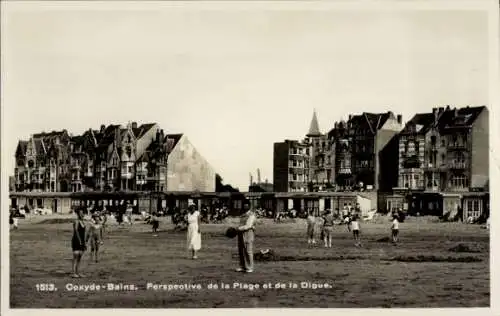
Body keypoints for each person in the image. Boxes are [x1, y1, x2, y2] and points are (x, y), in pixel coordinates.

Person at [236, 201, 256, 273]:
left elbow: (248, 226)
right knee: (241, 250)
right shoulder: (242, 215)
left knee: (248, 251)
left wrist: (238, 229)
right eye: (244, 206)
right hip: (241, 234)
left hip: (248, 233)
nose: (245, 207)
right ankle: (242, 266)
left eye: (246, 206)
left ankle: (250, 267)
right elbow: (240, 224)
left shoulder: (251, 215)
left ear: (249, 207)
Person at [71, 208, 87, 278]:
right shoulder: (76, 221)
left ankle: (78, 272)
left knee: (80, 257)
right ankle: (74, 273)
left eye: (82, 213)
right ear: (78, 214)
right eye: (80, 213)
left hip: (82, 240)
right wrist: (80, 241)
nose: (81, 214)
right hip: (76, 240)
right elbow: (76, 232)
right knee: (75, 256)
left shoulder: (83, 222)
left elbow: (84, 233)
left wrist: (84, 242)